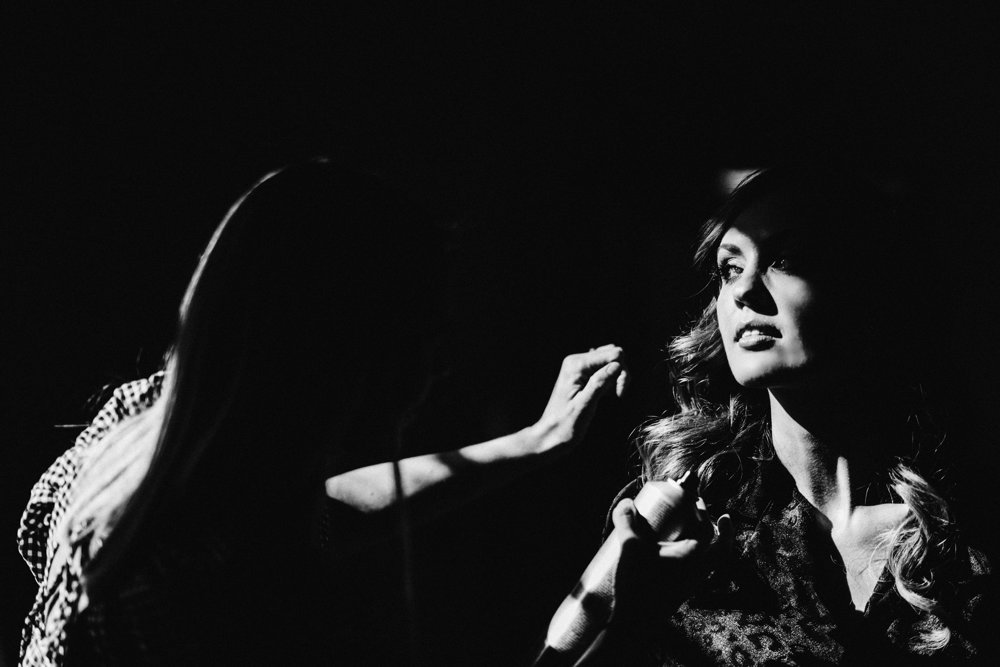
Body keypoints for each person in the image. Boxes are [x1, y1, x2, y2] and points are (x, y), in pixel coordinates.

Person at [17, 160, 629, 666]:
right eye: (419, 337)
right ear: (337, 345)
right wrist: (611, 625)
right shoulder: (235, 603)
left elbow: (323, 508)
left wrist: (537, 439)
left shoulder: (138, 426)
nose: (434, 368)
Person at [537, 167, 997, 665]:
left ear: (872, 289)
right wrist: (633, 621)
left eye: (787, 259)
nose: (744, 290)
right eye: (730, 268)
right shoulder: (685, 509)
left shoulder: (967, 530)